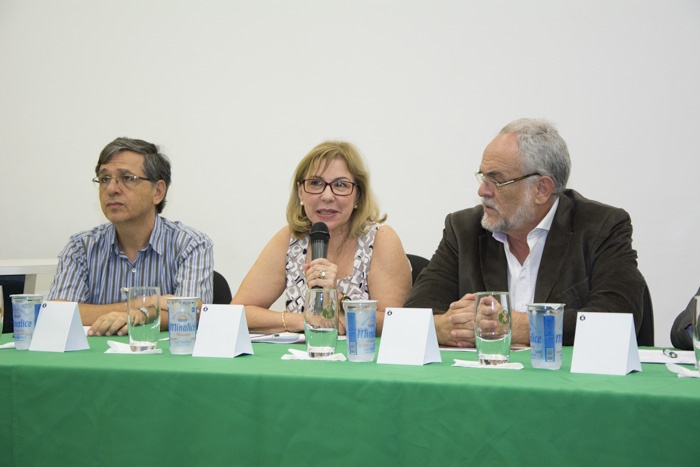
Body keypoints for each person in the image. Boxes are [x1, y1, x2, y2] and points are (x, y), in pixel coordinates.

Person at [404, 118, 652, 347]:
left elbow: (617, 317)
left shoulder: (601, 227)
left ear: (542, 189)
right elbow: (415, 313)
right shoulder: (463, 229)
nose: (482, 191)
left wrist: (523, 327)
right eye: (482, 177)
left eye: (497, 180)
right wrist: (445, 328)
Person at [232, 141, 412, 334]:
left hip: (361, 361)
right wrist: (302, 321)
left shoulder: (380, 239)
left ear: (358, 196)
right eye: (316, 183)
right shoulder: (290, 240)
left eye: (341, 185)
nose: (327, 196)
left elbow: (397, 324)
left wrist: (337, 298)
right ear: (301, 191)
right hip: (300, 361)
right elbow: (237, 313)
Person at [48, 137, 214, 337]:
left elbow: (190, 313)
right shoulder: (81, 247)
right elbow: (56, 314)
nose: (111, 189)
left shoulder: (190, 244)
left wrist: (141, 316)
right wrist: (141, 304)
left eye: (127, 178)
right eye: (104, 179)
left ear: (158, 191)